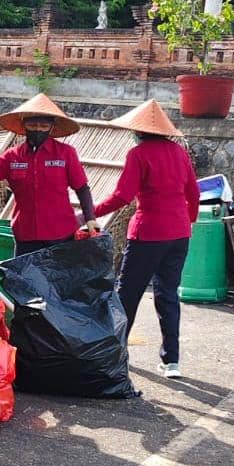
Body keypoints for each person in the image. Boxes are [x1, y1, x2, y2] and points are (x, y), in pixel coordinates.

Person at [93, 101, 199, 379]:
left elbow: (122, 197)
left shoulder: (138, 154)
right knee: (168, 295)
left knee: (127, 294)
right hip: (179, 234)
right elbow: (193, 193)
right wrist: (189, 221)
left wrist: (89, 212)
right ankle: (171, 361)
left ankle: (116, 354)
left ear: (138, 131)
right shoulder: (179, 152)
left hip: (148, 232)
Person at [0, 94, 99, 256]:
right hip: (26, 236)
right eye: (33, 125)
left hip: (61, 234)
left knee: (57, 281)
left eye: (43, 126)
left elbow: (82, 188)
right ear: (24, 126)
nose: (38, 130)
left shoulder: (66, 153)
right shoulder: (11, 157)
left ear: (51, 128)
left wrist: (91, 219)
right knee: (23, 281)